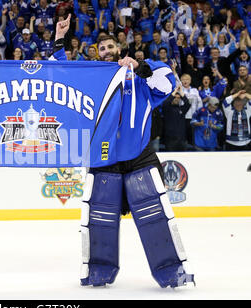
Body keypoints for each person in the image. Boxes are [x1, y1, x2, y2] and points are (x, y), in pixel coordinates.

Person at [54, 26, 194, 287]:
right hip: (103, 160)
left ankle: (172, 272)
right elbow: (58, 75)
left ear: (119, 49)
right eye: (102, 49)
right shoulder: (91, 80)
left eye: (110, 47)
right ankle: (98, 273)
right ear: (97, 53)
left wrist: (141, 66)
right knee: (99, 221)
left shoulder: (139, 76)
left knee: (156, 219)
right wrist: (60, 39)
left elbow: (167, 80)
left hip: (139, 156)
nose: (107, 52)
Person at [162, 86, 191, 151]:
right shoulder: (167, 108)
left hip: (182, 139)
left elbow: (187, 103)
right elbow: (166, 102)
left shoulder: (182, 109)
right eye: (175, 97)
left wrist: (181, 92)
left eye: (178, 98)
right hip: (170, 140)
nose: (176, 99)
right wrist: (175, 91)